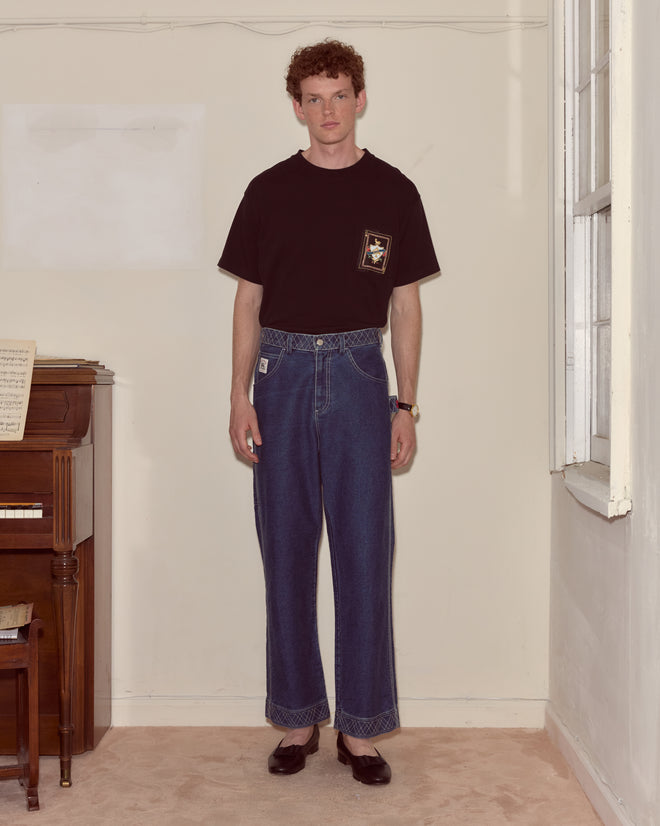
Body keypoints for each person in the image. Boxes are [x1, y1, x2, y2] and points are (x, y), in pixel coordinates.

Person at [219, 39, 439, 785]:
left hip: (356, 375)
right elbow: (247, 299)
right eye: (313, 98)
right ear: (296, 108)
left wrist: (404, 405)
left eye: (339, 95)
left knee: (364, 553)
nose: (327, 110)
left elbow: (405, 306)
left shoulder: (394, 191)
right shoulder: (267, 191)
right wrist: (239, 392)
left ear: (361, 98)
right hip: (278, 375)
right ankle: (297, 717)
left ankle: (362, 728)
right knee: (284, 550)